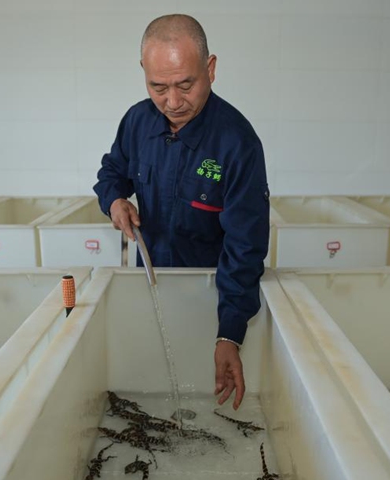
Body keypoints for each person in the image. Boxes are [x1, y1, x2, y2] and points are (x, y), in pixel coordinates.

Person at [93, 14, 269, 410]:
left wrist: (229, 334)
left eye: (185, 85)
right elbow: (111, 173)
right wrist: (115, 201)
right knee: (149, 391)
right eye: (158, 87)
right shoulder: (137, 121)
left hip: (210, 299)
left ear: (210, 69)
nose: (173, 102)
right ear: (144, 73)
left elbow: (246, 245)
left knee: (203, 395)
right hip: (150, 284)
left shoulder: (237, 143)